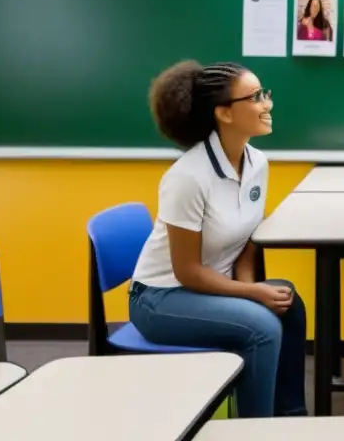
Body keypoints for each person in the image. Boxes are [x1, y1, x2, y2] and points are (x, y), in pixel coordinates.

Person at [128, 60, 307, 419]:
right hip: (161, 298)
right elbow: (187, 272)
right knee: (262, 327)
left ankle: (290, 419)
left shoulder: (257, 163)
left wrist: (250, 288)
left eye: (265, 93)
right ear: (224, 113)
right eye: (256, 97)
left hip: (209, 288)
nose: (267, 104)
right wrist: (252, 295)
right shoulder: (188, 177)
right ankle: (254, 429)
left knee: (289, 304)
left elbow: (248, 238)